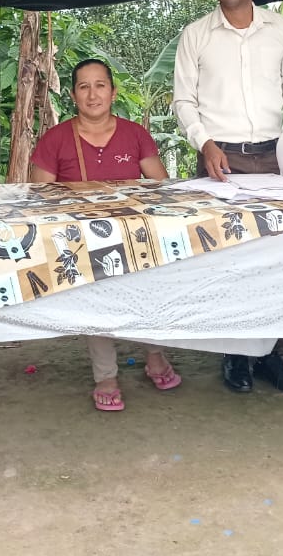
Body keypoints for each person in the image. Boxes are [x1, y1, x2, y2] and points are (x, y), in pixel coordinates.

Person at [171, 0, 283, 395]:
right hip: (221, 159)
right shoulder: (196, 34)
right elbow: (183, 101)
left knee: (274, 258)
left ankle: (270, 354)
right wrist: (205, 142)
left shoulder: (280, 29)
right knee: (228, 258)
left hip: (274, 157)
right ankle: (235, 354)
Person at [29, 58, 180, 411]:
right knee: (95, 298)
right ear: (73, 95)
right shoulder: (55, 139)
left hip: (133, 238)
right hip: (83, 243)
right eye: (84, 86)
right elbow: (39, 198)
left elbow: (161, 187)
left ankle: (155, 355)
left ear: (113, 92)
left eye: (100, 85)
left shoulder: (135, 134)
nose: (92, 94)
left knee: (148, 289)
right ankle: (106, 376)